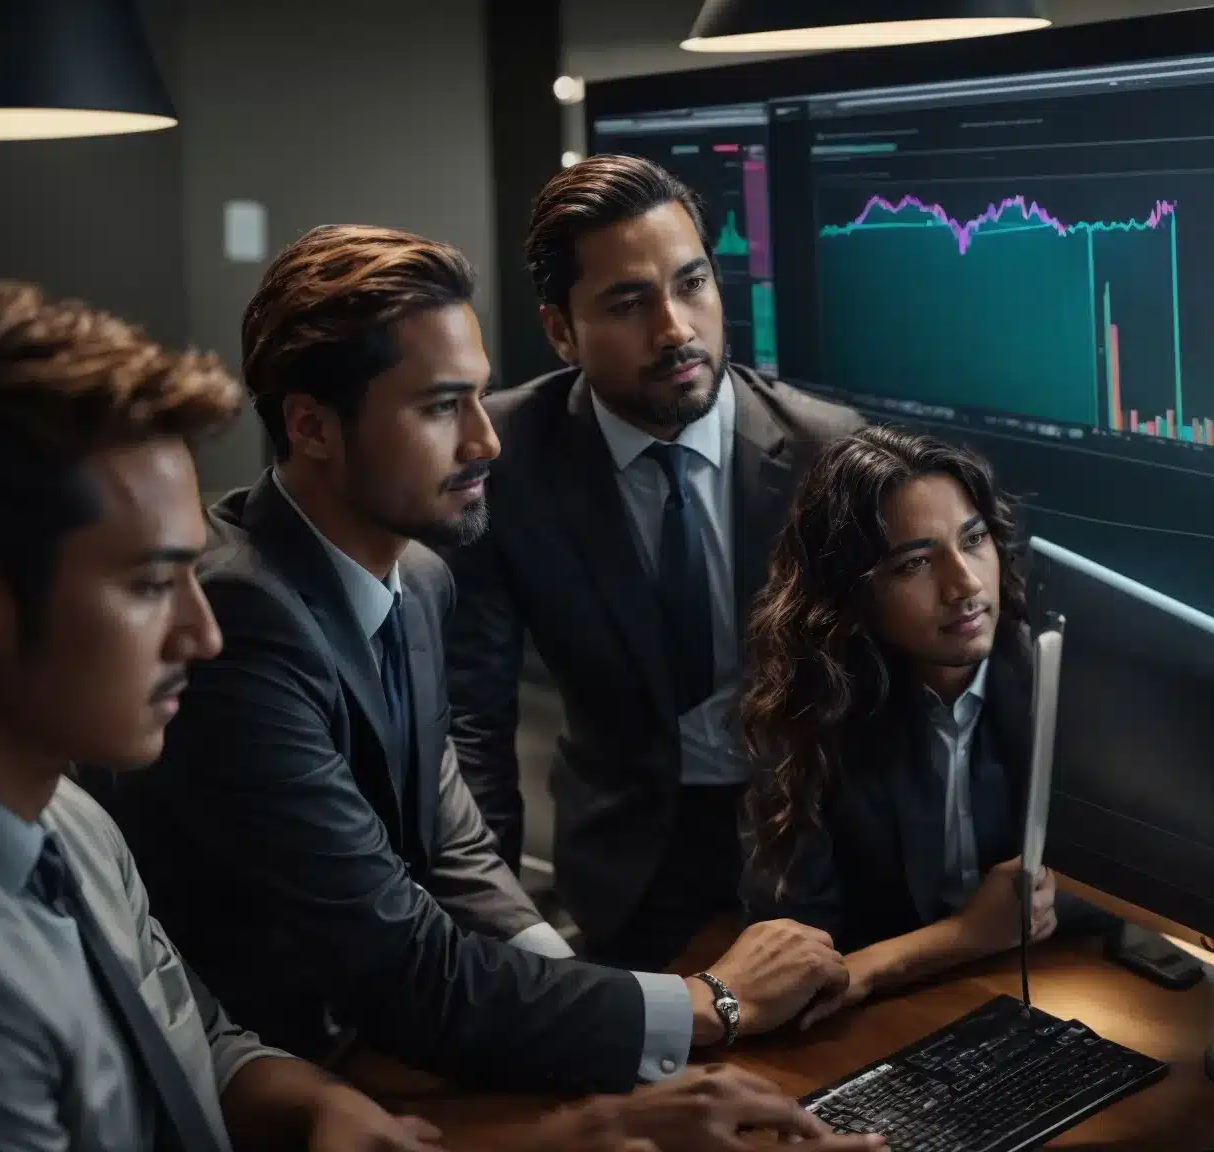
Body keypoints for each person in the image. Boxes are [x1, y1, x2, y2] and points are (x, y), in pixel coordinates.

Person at [98, 225, 852, 1097]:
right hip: (272, 1084)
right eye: (437, 407)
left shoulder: (418, 575)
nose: (485, 441)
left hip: (388, 1047)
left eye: (481, 399)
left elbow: (452, 840)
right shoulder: (238, 619)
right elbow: (400, 966)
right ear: (311, 426)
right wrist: (711, 1004)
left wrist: (575, 986)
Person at [0, 281, 440, 1150]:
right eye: (149, 585)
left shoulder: (72, 821)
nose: (204, 633)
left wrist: (315, 1106)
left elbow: (197, 1043)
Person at [439, 154, 865, 971]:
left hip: (813, 855)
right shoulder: (503, 460)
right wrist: (495, 938)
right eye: (629, 303)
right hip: (624, 861)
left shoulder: (829, 454)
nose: (674, 329)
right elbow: (470, 725)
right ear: (561, 331)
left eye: (692, 284)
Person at [739, 426, 1086, 1028]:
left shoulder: (1062, 683)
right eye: (916, 563)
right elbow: (798, 963)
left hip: (1059, 995)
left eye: (973, 540)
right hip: (884, 1022)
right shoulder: (806, 709)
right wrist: (967, 935)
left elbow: (1137, 900)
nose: (966, 585)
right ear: (853, 593)